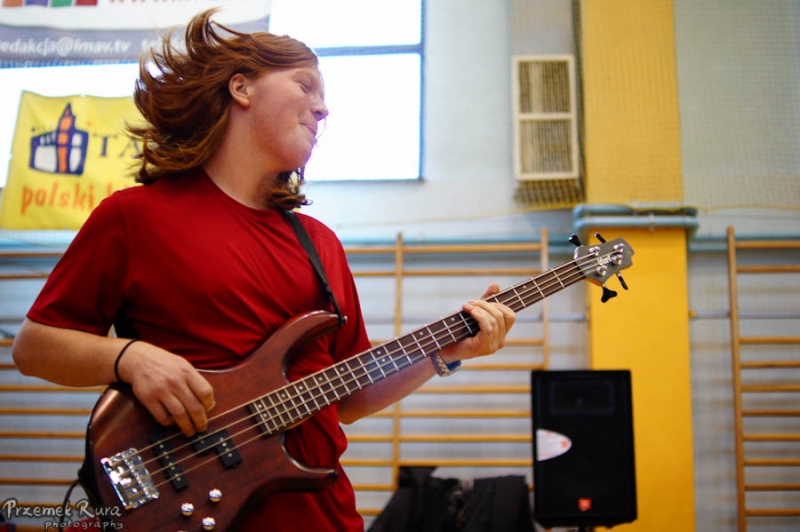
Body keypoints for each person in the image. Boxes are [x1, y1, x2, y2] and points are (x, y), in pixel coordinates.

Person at [11, 9, 516, 531]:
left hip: (324, 516)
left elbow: (347, 396)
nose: (323, 108)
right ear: (241, 88)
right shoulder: (135, 217)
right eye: (305, 85)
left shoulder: (320, 244)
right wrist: (129, 357)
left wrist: (443, 353)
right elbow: (34, 347)